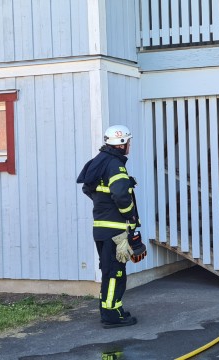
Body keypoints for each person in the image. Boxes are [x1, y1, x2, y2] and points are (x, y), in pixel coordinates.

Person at [77, 125, 140, 328]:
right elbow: (121, 195)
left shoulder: (97, 162)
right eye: (128, 142)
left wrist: (103, 203)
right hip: (115, 230)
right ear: (121, 144)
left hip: (101, 228)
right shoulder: (115, 165)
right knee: (116, 272)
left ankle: (112, 308)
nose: (130, 145)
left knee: (109, 270)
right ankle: (112, 315)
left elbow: (88, 188)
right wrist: (129, 215)